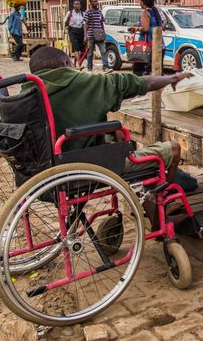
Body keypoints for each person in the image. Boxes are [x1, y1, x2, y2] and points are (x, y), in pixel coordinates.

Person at [27, 46, 192, 216]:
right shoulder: (85, 83)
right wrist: (173, 77)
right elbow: (143, 83)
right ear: (66, 63)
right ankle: (161, 208)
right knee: (173, 148)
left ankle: (144, 195)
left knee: (118, 134)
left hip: (42, 172)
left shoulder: (28, 92)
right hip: (85, 168)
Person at [130, 0, 164, 76]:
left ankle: (141, 88)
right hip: (159, 45)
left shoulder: (145, 13)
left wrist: (136, 28)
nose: (139, 3)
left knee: (138, 71)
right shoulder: (156, 12)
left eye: (140, 1)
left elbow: (145, 28)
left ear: (143, 2)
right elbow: (162, 24)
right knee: (156, 72)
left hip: (146, 47)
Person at [84, 0, 110, 72]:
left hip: (99, 35)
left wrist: (104, 33)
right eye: (94, 1)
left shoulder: (99, 12)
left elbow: (102, 23)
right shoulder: (88, 12)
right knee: (90, 53)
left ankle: (106, 67)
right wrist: (85, 35)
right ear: (91, 3)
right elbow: (86, 24)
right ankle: (89, 68)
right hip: (91, 35)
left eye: (96, 1)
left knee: (103, 51)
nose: (96, 3)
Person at [64, 0, 85, 65]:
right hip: (72, 31)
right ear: (73, 5)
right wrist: (68, 18)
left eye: (78, 4)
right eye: (76, 4)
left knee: (79, 49)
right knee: (76, 47)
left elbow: (84, 24)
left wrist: (85, 35)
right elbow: (66, 23)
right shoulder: (70, 13)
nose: (77, 5)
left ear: (80, 5)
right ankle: (79, 64)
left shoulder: (82, 13)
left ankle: (75, 63)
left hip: (80, 31)